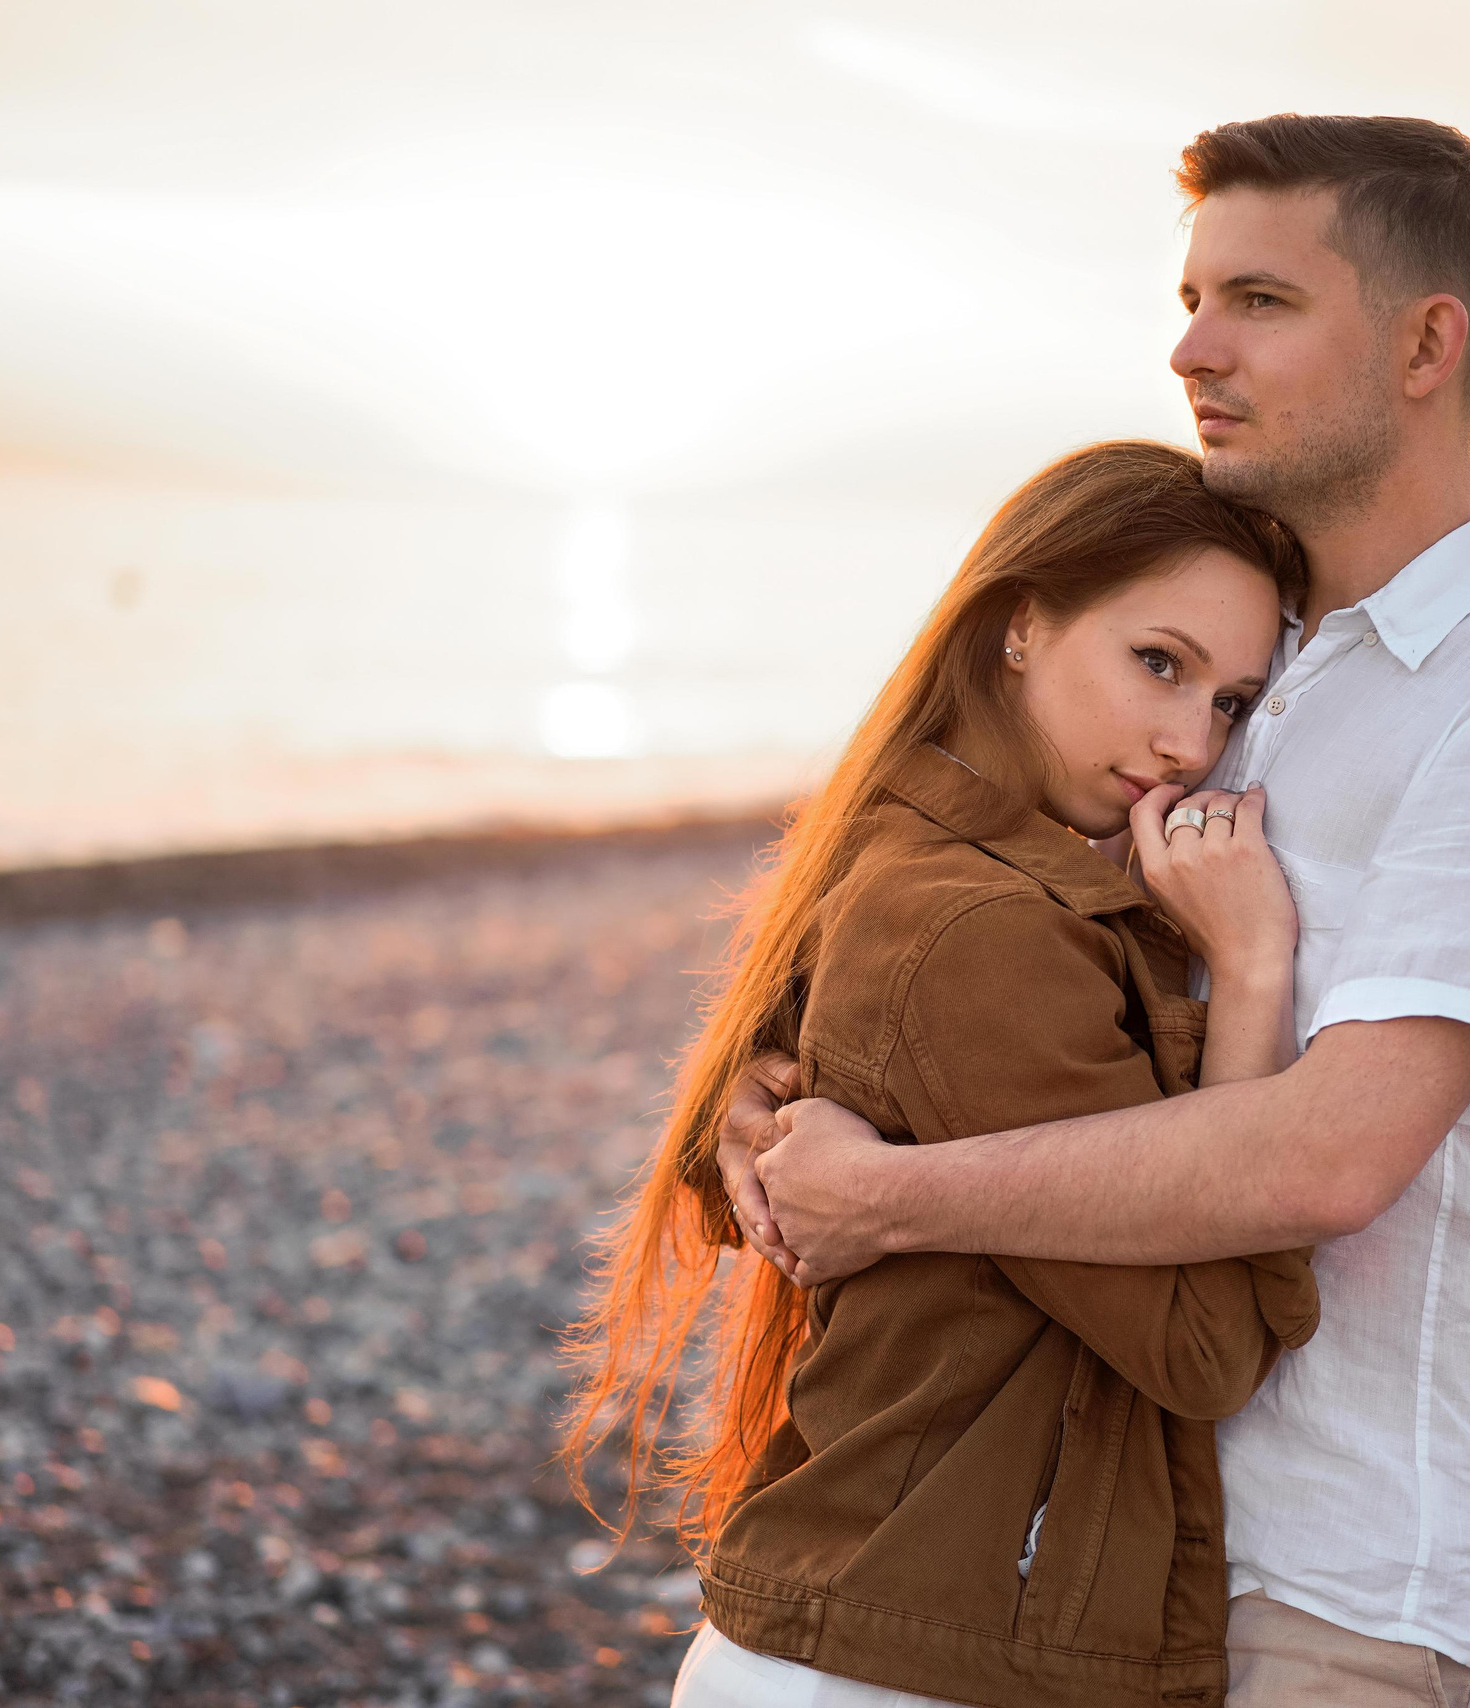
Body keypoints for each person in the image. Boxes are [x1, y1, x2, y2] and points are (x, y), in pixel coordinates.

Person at [725, 116, 1470, 1708]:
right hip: (1119, 1549)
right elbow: (1009, 976)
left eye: (1259, 300)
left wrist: (889, 1197)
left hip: (1369, 1586)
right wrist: (779, 1103)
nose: (1190, 347)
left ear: (1427, 341)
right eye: (1190, 296)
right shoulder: (1240, 659)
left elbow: (1330, 1153)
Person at [560, 440, 1329, 1708]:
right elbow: (1203, 1344)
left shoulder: (910, 853)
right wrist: (1251, 971)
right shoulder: (989, 932)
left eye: (1232, 703)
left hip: (872, 1644)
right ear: (1020, 625)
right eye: (1158, 663)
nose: (1190, 740)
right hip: (898, 1665)